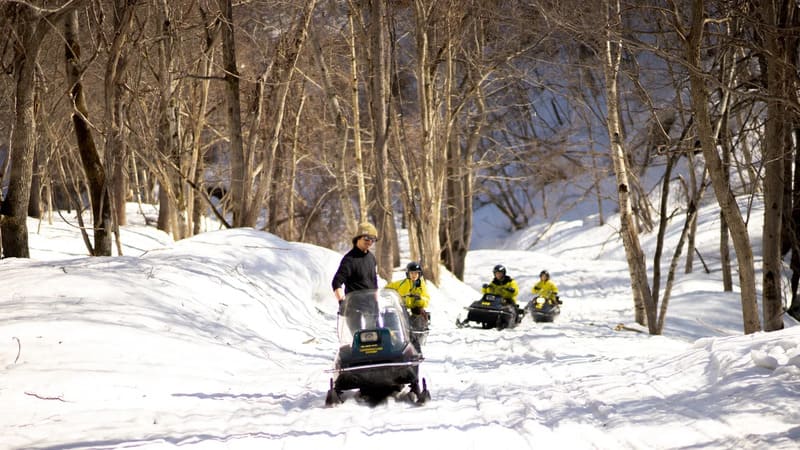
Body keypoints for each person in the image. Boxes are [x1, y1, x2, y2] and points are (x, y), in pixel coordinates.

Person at [331, 222, 379, 325]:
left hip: (371, 308)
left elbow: (374, 281)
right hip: (354, 309)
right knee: (359, 338)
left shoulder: (371, 258)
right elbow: (336, 282)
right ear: (358, 238)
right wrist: (342, 302)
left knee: (374, 337)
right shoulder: (349, 260)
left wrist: (376, 301)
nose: (370, 242)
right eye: (367, 238)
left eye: (373, 239)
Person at [386, 261, 430, 350]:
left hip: (415, 310)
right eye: (412, 273)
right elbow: (387, 289)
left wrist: (419, 299)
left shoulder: (421, 285)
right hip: (402, 308)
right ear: (408, 274)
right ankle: (396, 342)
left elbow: (426, 299)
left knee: (416, 321)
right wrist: (390, 296)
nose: (414, 275)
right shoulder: (401, 283)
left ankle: (416, 343)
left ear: (419, 274)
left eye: (416, 273)